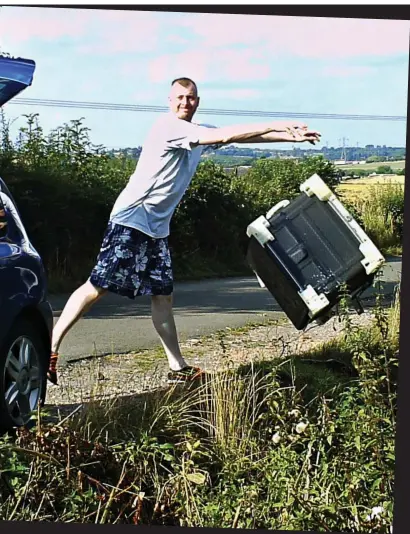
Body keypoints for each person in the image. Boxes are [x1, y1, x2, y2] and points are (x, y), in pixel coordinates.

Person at [48, 77, 321, 385]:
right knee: (97, 286)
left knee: (163, 295)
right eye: (179, 97)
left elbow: (239, 138)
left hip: (156, 229)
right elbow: (228, 133)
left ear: (197, 101)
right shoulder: (169, 128)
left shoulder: (196, 131)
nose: (184, 103)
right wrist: (283, 122)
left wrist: (290, 138)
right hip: (132, 219)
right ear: (169, 100)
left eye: (190, 98)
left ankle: (177, 367)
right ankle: (51, 346)